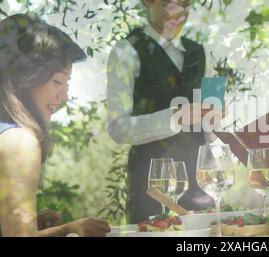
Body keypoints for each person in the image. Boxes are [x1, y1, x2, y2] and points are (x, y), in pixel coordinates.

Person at [107, 0, 218, 223]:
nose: (179, 12)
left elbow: (212, 127)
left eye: (185, 4)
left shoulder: (202, 53)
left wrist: (217, 121)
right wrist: (175, 117)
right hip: (152, 187)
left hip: (201, 186)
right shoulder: (126, 52)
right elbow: (118, 128)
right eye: (170, 3)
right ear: (147, 2)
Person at [0, 13, 110, 236]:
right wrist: (67, 230)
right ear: (27, 77)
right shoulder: (19, 142)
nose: (65, 96)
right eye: (57, 81)